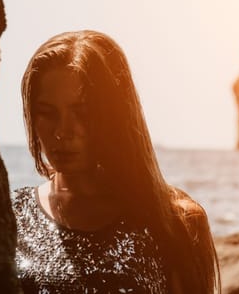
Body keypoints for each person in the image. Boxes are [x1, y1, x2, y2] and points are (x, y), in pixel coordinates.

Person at [12, 30, 221, 293]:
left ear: (114, 116)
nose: (62, 131)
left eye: (82, 112)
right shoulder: (11, 218)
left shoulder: (174, 222)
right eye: (47, 113)